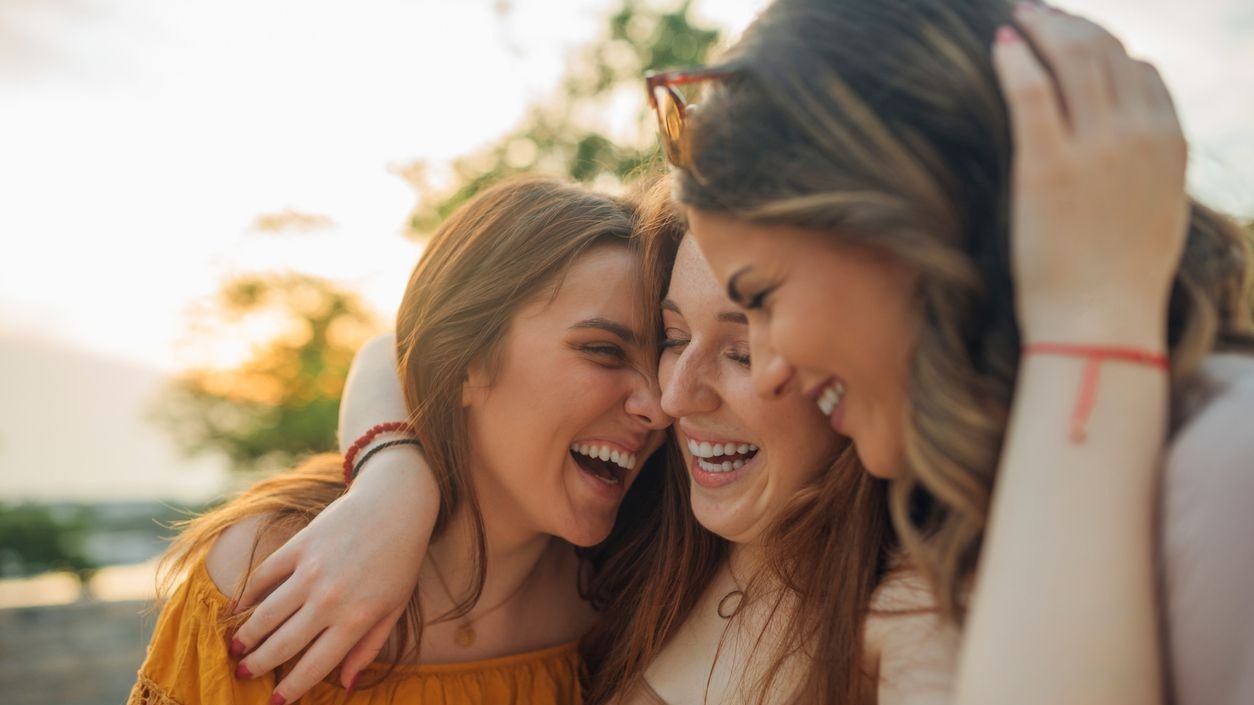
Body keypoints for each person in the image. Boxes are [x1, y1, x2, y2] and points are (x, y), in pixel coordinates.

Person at [659, 1, 1254, 704]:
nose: (773, 362)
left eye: (762, 300)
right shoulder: (966, 503)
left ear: (909, 227)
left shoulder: (1224, 461)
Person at [127, 176, 670, 705]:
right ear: (465, 361)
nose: (659, 407)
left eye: (667, 359)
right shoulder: (275, 574)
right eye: (603, 350)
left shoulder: (623, 600)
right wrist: (392, 471)